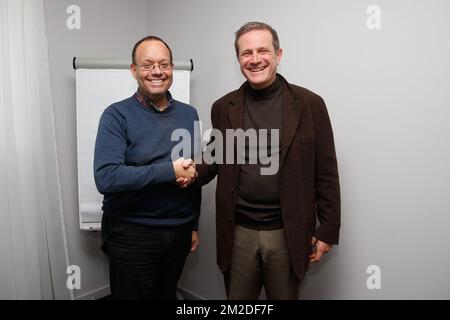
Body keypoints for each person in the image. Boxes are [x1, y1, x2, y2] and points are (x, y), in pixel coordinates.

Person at [194, 22, 341, 299]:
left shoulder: (310, 104)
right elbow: (215, 158)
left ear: (278, 54)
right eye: (246, 53)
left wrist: (328, 230)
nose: (255, 59)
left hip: (288, 231)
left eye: (263, 50)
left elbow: (326, 172)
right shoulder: (223, 107)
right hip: (238, 230)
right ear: (238, 59)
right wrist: (190, 172)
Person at [94, 35, 200, 300]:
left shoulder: (190, 114)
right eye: (147, 64)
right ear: (134, 70)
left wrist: (194, 224)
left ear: (172, 68)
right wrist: (170, 170)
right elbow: (107, 177)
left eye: (163, 64)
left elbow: (192, 171)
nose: (157, 71)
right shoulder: (116, 115)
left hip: (179, 231)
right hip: (131, 234)